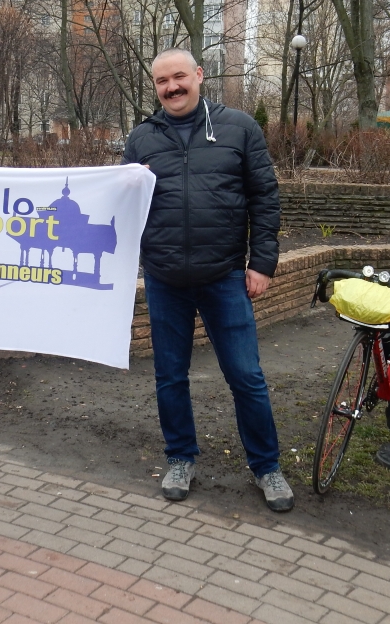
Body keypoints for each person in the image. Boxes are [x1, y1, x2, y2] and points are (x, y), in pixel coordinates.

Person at [121, 48, 293, 512]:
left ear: (199, 75)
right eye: (162, 81)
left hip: (224, 276)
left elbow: (264, 197)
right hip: (164, 279)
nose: (172, 87)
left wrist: (262, 263)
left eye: (179, 76)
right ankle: (180, 458)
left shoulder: (239, 127)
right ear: (155, 87)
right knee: (169, 376)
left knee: (246, 377)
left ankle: (267, 466)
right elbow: (124, 204)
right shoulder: (141, 138)